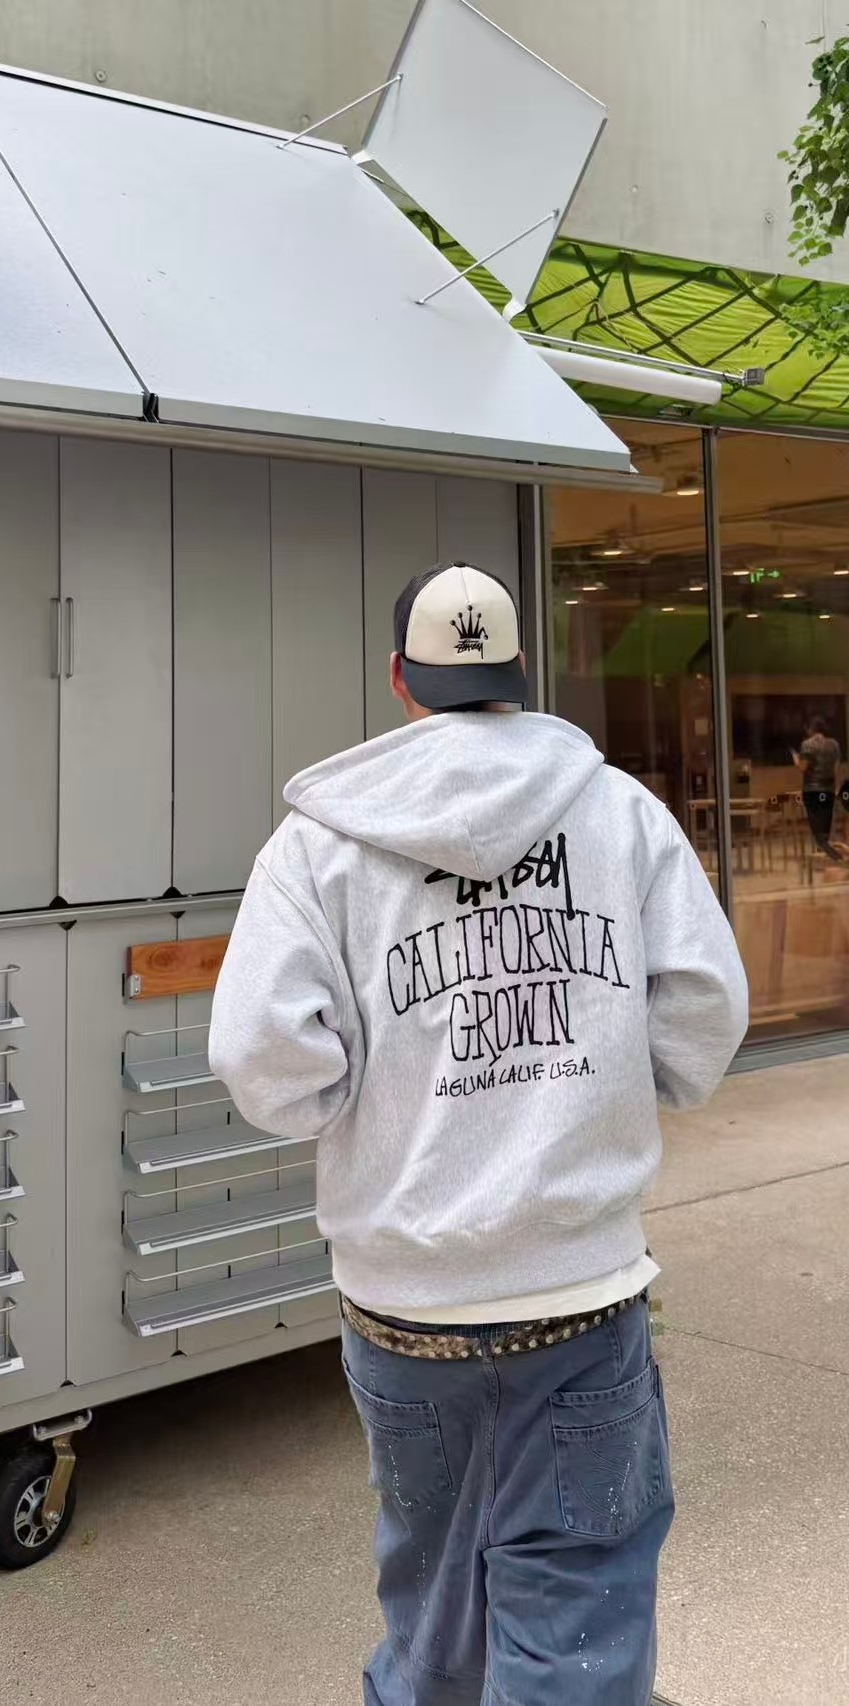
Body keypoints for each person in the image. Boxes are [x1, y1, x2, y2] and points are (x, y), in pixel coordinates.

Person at [209, 560, 749, 1706]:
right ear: (517, 671)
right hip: (578, 1294)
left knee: (432, 1610)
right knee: (576, 1620)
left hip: (404, 1307)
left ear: (399, 678)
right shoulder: (617, 812)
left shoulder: (316, 845)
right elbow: (704, 1011)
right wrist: (613, 1083)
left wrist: (357, 1102)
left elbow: (262, 1060)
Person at [792, 714, 844, 861]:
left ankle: (837, 858)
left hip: (812, 791)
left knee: (819, 836)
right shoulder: (834, 744)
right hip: (828, 791)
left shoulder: (807, 744)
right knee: (825, 832)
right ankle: (833, 857)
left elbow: (803, 768)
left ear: (811, 729)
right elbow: (835, 768)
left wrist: (796, 760)